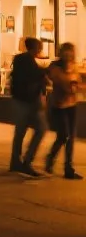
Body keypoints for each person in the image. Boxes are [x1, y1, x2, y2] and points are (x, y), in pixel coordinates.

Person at [9, 37, 49, 177]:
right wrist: (44, 71)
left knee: (21, 131)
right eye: (39, 47)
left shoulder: (23, 60)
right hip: (27, 101)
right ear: (34, 48)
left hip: (24, 100)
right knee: (40, 129)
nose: (40, 50)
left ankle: (16, 161)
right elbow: (33, 76)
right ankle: (26, 161)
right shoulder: (25, 60)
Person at [45, 43, 81, 180]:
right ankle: (50, 158)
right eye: (66, 52)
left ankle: (68, 169)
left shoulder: (74, 66)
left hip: (72, 104)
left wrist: (75, 86)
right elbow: (55, 79)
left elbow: (76, 82)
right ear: (61, 53)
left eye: (70, 52)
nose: (68, 55)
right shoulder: (55, 67)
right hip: (59, 105)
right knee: (63, 136)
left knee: (71, 137)